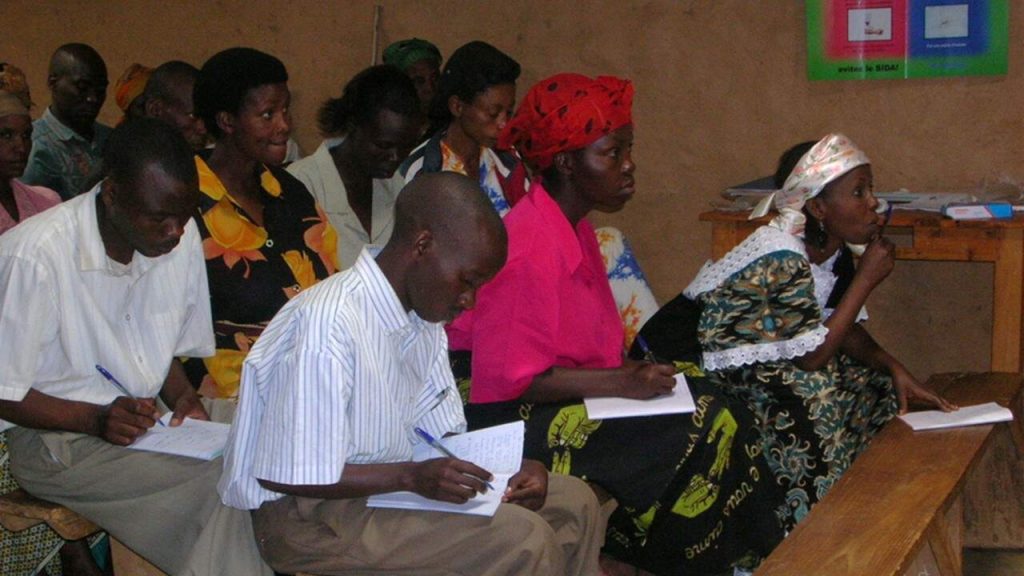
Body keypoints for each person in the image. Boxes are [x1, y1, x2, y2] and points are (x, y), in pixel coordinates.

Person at [447, 73, 783, 576]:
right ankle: (666, 562)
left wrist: (629, 378)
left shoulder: (573, 229)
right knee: (704, 423)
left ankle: (708, 557)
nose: (628, 166)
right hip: (498, 416)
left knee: (720, 393)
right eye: (612, 152)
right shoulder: (529, 244)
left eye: (628, 149)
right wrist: (623, 381)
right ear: (565, 162)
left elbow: (591, 351)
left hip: (548, 393)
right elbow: (512, 380)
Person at [220, 171, 605, 576]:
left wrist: (512, 469)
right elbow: (287, 472)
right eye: (467, 281)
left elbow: (439, 437)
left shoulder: (424, 323)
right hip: (307, 515)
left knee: (574, 504)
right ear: (422, 245)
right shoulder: (328, 323)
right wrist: (410, 476)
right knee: (522, 539)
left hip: (390, 487)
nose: (469, 301)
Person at [0, 117, 272, 576]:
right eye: (159, 218)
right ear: (112, 194)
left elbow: (155, 346)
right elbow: (5, 392)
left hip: (146, 419)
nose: (174, 232)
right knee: (223, 487)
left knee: (273, 440)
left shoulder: (174, 238)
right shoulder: (34, 256)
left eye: (184, 217)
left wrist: (185, 400)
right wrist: (96, 418)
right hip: (59, 439)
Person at [682, 134, 955, 531]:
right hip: (718, 380)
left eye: (871, 190)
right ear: (818, 207)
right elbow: (812, 356)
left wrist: (893, 367)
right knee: (819, 397)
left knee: (874, 386)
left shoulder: (831, 250)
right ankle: (813, 533)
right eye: (859, 192)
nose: (873, 203)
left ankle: (879, 515)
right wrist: (865, 280)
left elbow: (840, 329)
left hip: (776, 371)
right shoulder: (780, 254)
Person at [401, 41, 657, 345]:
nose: (503, 123)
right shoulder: (424, 170)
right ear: (458, 107)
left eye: (508, 112)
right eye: (493, 113)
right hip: (465, 293)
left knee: (608, 243)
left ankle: (647, 351)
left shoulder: (505, 162)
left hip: (520, 276)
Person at [188, 47, 337, 400]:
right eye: (267, 114)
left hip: (311, 384)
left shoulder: (292, 194)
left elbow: (333, 286)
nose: (284, 125)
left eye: (285, 110)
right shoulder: (185, 202)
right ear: (227, 121)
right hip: (227, 399)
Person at [0, 90, 107, 576]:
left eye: (24, 134)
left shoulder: (43, 201)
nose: (19, 146)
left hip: (49, 348)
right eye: (5, 134)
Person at [288, 65, 423, 269]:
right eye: (383, 145)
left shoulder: (396, 187)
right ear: (353, 125)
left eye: (406, 147)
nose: (396, 157)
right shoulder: (299, 185)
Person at [22, 43, 111, 200]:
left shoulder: (111, 138)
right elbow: (32, 217)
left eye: (100, 90)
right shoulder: (34, 146)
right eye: (82, 87)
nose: (92, 98)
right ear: (53, 82)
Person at [141, 60, 208, 150]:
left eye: (206, 114)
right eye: (193, 115)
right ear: (155, 109)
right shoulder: (126, 159)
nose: (203, 128)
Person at [382, 37, 441, 131]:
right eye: (418, 81)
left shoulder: (449, 130)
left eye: (435, 78)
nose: (430, 88)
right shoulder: (388, 130)